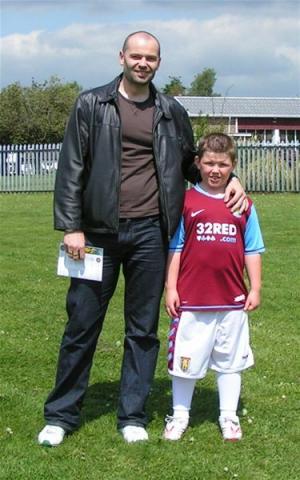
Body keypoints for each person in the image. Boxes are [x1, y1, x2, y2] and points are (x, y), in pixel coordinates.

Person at [38, 32, 246, 447]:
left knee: (142, 330)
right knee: (82, 325)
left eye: (150, 57)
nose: (142, 63)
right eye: (136, 55)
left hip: (152, 233)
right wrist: (71, 225)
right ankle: (61, 415)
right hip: (96, 233)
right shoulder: (91, 104)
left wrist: (231, 177)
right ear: (122, 57)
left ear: (158, 63)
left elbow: (190, 163)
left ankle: (132, 415)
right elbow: (72, 167)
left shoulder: (170, 111)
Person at [163, 133, 265, 442]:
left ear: (233, 165)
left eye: (222, 164)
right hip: (192, 300)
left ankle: (229, 417)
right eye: (209, 163)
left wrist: (255, 287)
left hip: (232, 301)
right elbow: (176, 248)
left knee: (230, 361)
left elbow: (253, 249)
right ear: (198, 163)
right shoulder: (187, 202)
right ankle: (179, 416)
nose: (215, 170)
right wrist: (171, 288)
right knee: (186, 361)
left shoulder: (243, 204)